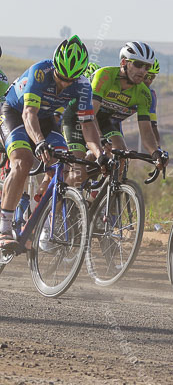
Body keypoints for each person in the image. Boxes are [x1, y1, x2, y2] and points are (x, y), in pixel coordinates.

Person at [0, 36, 108, 246]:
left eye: (71, 80)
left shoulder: (83, 85)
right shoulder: (39, 72)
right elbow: (28, 114)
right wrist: (39, 142)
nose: (65, 83)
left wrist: (100, 154)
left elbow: (88, 125)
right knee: (23, 161)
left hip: (47, 119)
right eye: (61, 77)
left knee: (64, 166)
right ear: (55, 66)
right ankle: (4, 228)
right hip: (16, 113)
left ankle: (43, 226)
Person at [62, 41, 167, 186]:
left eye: (147, 67)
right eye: (137, 64)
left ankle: (104, 199)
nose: (143, 71)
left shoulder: (144, 94)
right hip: (79, 119)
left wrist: (155, 153)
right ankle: (58, 205)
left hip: (104, 120)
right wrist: (100, 140)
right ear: (124, 62)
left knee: (121, 154)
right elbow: (90, 116)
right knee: (79, 172)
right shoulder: (104, 76)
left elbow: (146, 130)